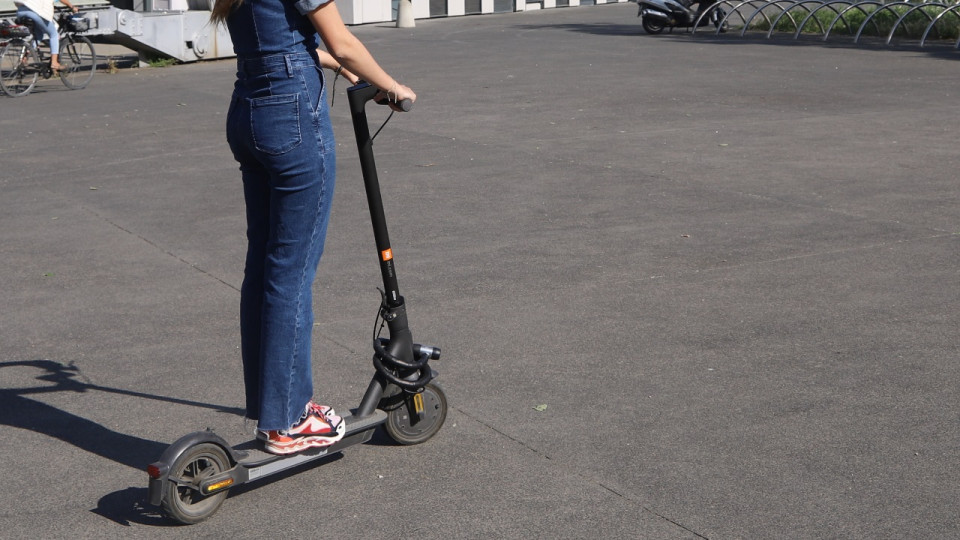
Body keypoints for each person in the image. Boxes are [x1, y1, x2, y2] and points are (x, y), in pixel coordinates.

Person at [210, 0, 415, 455]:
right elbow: (342, 40)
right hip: (291, 118)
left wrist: (338, 66)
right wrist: (392, 87)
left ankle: (271, 408)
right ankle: (289, 420)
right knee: (291, 274)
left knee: (263, 269)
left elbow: (277, 40)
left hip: (249, 109)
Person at [15, 0, 79, 71]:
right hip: (35, 12)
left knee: (39, 35)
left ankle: (24, 58)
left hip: (21, 11)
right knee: (54, 34)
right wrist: (72, 7)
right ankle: (54, 63)